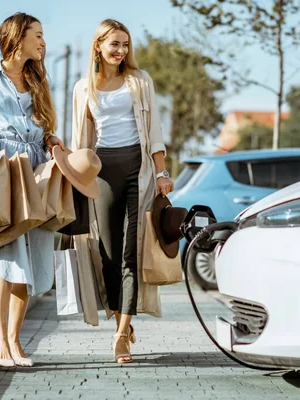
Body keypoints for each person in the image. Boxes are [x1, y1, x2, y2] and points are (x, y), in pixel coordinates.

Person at [71, 19, 174, 364]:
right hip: (102, 171)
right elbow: (79, 141)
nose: (121, 51)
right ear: (98, 45)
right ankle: (121, 321)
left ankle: (120, 336)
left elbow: (155, 129)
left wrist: (161, 172)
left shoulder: (139, 81)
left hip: (138, 169)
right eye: (114, 44)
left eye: (125, 44)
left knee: (130, 252)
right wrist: (71, 177)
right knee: (109, 254)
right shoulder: (83, 87)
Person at [0, 12, 65, 368]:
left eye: (43, 35)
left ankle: (15, 341)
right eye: (37, 35)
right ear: (17, 37)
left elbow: (45, 125)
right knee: (6, 257)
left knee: (34, 258)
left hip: (36, 169)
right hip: (7, 168)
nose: (43, 42)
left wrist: (52, 138)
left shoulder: (38, 81)